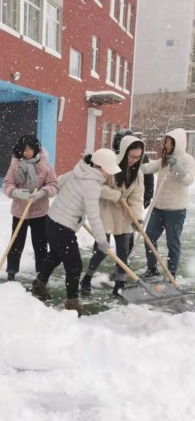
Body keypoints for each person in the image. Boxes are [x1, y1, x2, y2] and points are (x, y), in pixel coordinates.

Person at [31, 149, 120, 316]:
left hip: (52, 220)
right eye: (109, 169)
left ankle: (39, 284)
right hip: (62, 227)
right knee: (74, 266)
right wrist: (102, 241)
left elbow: (60, 181)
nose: (110, 173)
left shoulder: (79, 171)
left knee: (55, 256)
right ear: (99, 167)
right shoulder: (92, 185)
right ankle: (72, 304)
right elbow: (94, 216)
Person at [80, 135, 145, 296]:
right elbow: (96, 186)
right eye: (131, 156)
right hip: (106, 211)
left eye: (137, 157)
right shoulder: (110, 165)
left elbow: (137, 197)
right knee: (102, 250)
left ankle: (119, 283)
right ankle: (87, 278)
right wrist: (115, 195)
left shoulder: (138, 174)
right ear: (124, 152)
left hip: (123, 215)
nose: (133, 160)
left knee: (124, 251)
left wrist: (137, 217)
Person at [140, 128, 195, 278]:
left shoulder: (188, 160)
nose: (165, 144)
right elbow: (147, 168)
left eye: (169, 142)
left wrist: (176, 167)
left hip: (176, 211)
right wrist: (137, 161)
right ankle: (152, 269)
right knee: (149, 238)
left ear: (177, 143)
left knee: (172, 242)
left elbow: (188, 180)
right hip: (158, 208)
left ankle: (171, 273)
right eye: (165, 141)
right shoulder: (164, 159)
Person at [2, 134, 58, 281]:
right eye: (23, 150)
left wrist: (42, 192)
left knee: (40, 244)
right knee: (15, 242)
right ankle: (11, 272)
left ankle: (41, 273)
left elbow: (53, 185)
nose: (26, 152)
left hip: (40, 213)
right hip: (20, 212)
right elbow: (7, 184)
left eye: (29, 149)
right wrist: (16, 192)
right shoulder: (15, 165)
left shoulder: (45, 166)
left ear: (36, 149)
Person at [113, 128, 154, 208]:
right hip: (115, 203)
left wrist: (148, 195)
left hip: (133, 195)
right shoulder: (114, 157)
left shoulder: (140, 157)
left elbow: (148, 177)